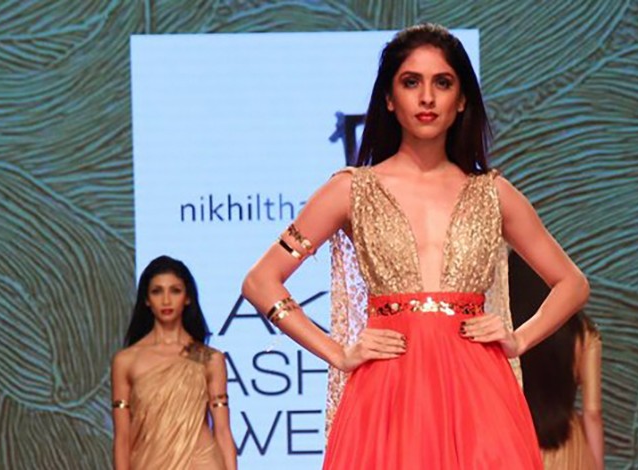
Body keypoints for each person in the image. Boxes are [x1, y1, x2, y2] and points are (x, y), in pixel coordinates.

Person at [242, 23, 590, 469]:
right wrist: (338, 352)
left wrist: (518, 338)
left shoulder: (493, 194)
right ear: (389, 99)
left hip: (479, 389)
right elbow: (260, 281)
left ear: (461, 100)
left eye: (442, 83)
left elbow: (572, 284)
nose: (427, 98)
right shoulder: (351, 190)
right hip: (387, 386)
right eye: (411, 82)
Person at [111, 256, 237, 470]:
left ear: (187, 298)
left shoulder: (206, 357)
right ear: (146, 300)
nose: (166, 300)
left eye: (175, 291)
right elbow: (122, 438)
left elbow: (223, 430)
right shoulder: (127, 361)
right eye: (157, 291)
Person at [510, 253, 603, 469]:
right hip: (570, 449)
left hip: (514, 446)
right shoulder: (583, 333)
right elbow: (592, 413)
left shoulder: (504, 334)